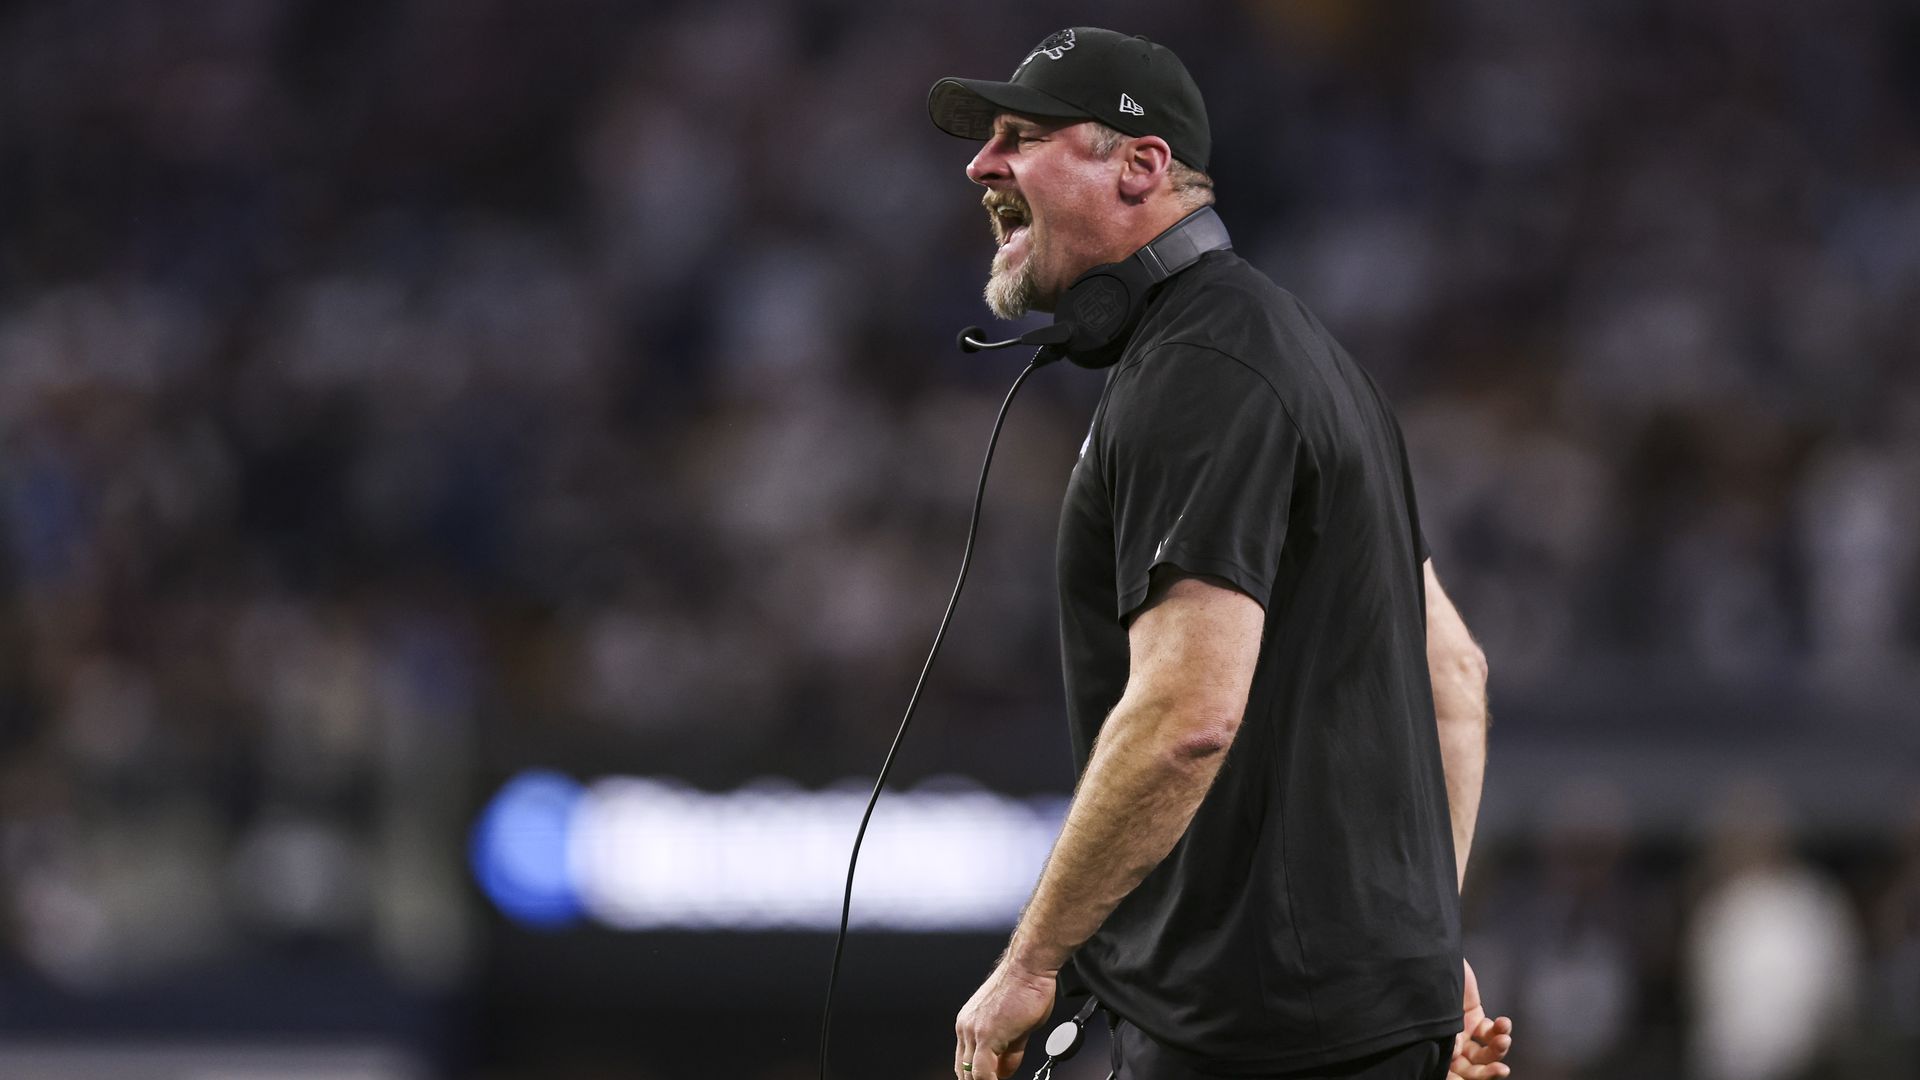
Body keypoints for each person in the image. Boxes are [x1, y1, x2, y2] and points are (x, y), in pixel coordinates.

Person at [925, 28, 1513, 1080]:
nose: (981, 166)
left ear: (1141, 165)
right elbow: (1456, 679)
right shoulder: (1305, 355)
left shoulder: (1198, 367)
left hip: (1248, 1037)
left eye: (1022, 137)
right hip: (1346, 1026)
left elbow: (1187, 716)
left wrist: (1030, 961)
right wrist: (1417, 957)